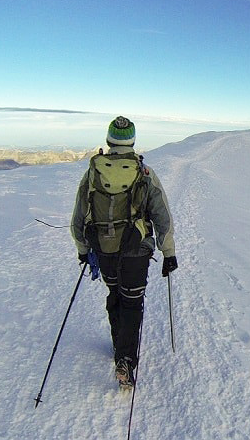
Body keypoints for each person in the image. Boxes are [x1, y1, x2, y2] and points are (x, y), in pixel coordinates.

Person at [71, 116, 178, 389]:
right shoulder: (144, 173)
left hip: (104, 248)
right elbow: (162, 216)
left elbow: (78, 217)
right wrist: (168, 253)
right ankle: (126, 360)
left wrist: (84, 249)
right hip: (136, 250)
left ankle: (120, 347)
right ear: (131, 141)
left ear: (109, 140)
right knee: (132, 300)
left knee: (114, 294)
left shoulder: (93, 173)